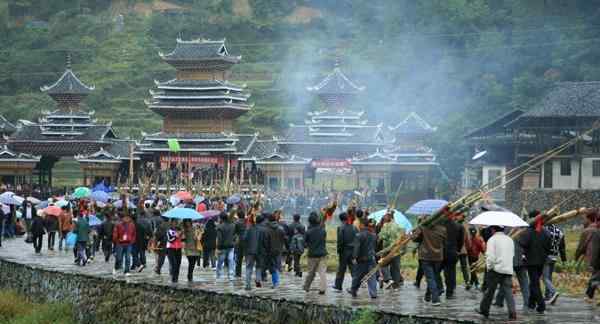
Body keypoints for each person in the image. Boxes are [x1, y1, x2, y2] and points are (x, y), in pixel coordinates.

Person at [476, 226, 516, 321]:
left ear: (493, 230)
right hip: (507, 269)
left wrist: (489, 267)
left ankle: (484, 309)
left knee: (490, 291)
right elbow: (512, 254)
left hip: (496, 269)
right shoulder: (509, 239)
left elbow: (490, 256)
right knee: (508, 292)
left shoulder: (492, 239)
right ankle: (512, 312)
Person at [519, 211, 552, 314]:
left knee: (534, 283)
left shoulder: (528, 231)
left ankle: (541, 305)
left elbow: (523, 243)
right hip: (541, 261)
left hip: (531, 261)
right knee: (534, 282)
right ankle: (531, 303)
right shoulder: (546, 231)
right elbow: (548, 247)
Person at [414, 219, 446, 306]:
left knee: (430, 278)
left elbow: (415, 239)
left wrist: (416, 230)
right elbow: (444, 241)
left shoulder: (423, 227)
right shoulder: (442, 229)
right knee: (433, 276)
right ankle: (427, 296)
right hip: (438, 257)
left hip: (425, 256)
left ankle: (435, 299)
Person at [347, 217, 377, 299]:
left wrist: (354, 257)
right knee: (371, 277)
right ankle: (373, 293)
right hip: (371, 259)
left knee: (357, 276)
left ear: (362, 225)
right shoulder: (373, 235)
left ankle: (353, 290)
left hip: (361, 260)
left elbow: (357, 248)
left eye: (359, 224)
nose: (358, 226)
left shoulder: (359, 235)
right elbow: (373, 247)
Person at [378, 214, 406, 289]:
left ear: (386, 219)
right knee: (396, 268)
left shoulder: (386, 226)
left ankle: (388, 279)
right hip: (397, 250)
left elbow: (381, 236)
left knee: (382, 264)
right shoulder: (399, 226)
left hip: (388, 250)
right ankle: (395, 285)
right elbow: (403, 237)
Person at [303, 211, 328, 294]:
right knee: (322, 272)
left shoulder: (308, 232)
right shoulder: (323, 231)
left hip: (312, 255)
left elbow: (304, 244)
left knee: (311, 273)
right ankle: (322, 289)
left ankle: (306, 287)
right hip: (322, 254)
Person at [543, 224, 566, 304]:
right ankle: (548, 296)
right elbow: (562, 247)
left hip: (546, 256)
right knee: (549, 277)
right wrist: (564, 260)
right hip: (554, 257)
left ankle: (553, 292)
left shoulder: (545, 229)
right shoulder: (559, 232)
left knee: (545, 278)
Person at [333, 212, 357, 291]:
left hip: (344, 251)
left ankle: (338, 285)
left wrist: (339, 250)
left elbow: (340, 241)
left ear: (340, 219)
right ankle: (355, 285)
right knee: (353, 269)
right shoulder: (354, 228)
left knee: (341, 269)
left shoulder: (340, 228)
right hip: (353, 251)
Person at [442, 215, 464, 299]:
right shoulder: (459, 226)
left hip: (441, 252)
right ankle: (449, 293)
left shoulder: (440, 225)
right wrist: (457, 250)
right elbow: (461, 241)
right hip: (453, 252)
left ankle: (438, 287)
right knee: (450, 273)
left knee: (436, 271)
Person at [267, 212, 286, 288]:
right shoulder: (281, 229)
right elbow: (284, 239)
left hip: (270, 251)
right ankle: (276, 282)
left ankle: (276, 283)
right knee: (277, 265)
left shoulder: (267, 230)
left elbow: (265, 241)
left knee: (273, 266)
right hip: (279, 250)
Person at [584, 212, 600, 303]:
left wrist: (592, 263)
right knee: (595, 279)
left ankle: (589, 296)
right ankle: (589, 296)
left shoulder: (596, 233)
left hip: (598, 262)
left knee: (594, 279)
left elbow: (595, 250)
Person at [244, 214, 263, 290]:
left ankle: (248, 285)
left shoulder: (248, 229)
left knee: (249, 268)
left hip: (250, 251)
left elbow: (244, 238)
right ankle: (258, 279)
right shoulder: (261, 229)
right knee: (259, 266)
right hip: (259, 251)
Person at [216, 212, 235, 280]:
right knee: (231, 260)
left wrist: (218, 247)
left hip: (223, 247)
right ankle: (231, 275)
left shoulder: (220, 227)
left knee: (220, 261)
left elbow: (219, 238)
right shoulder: (233, 225)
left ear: (221, 218)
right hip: (231, 246)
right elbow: (235, 236)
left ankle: (218, 274)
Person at [166, 219, 183, 283]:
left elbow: (183, 240)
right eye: (173, 222)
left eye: (176, 222)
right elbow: (170, 240)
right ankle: (173, 278)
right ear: (171, 223)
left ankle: (176, 278)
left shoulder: (179, 230)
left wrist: (181, 235)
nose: (175, 224)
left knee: (178, 264)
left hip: (178, 248)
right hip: (171, 249)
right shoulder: (169, 231)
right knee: (174, 264)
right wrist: (176, 236)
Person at [234, 210, 247, 278]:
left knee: (239, 258)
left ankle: (238, 273)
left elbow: (234, 232)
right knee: (248, 257)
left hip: (239, 241)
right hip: (247, 241)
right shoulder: (246, 222)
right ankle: (248, 272)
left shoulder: (236, 222)